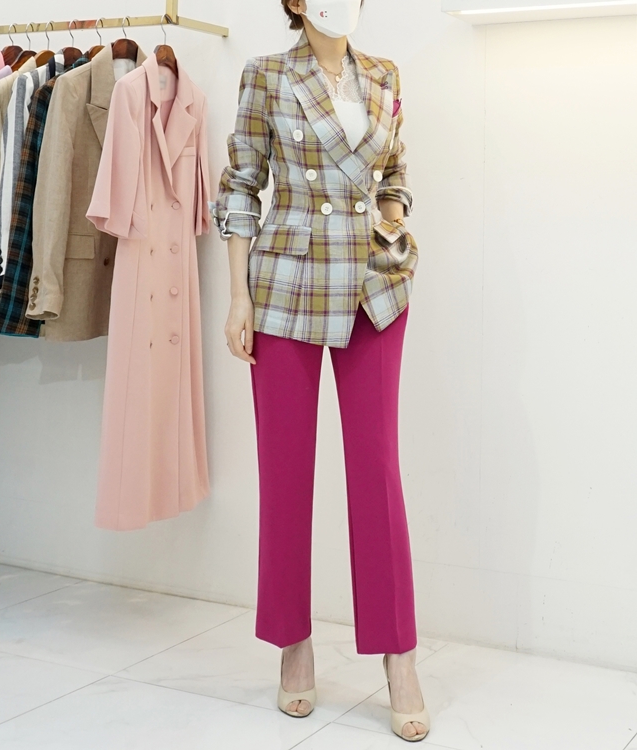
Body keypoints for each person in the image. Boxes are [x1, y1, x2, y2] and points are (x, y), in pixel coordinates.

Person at [211, 0, 429, 741]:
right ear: (296, 3)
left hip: (374, 287)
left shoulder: (384, 74)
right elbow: (241, 186)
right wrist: (237, 297)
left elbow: (395, 169)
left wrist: (391, 220)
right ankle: (292, 644)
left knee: (377, 472)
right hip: (285, 286)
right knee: (285, 474)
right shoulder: (267, 74)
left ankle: (399, 656)